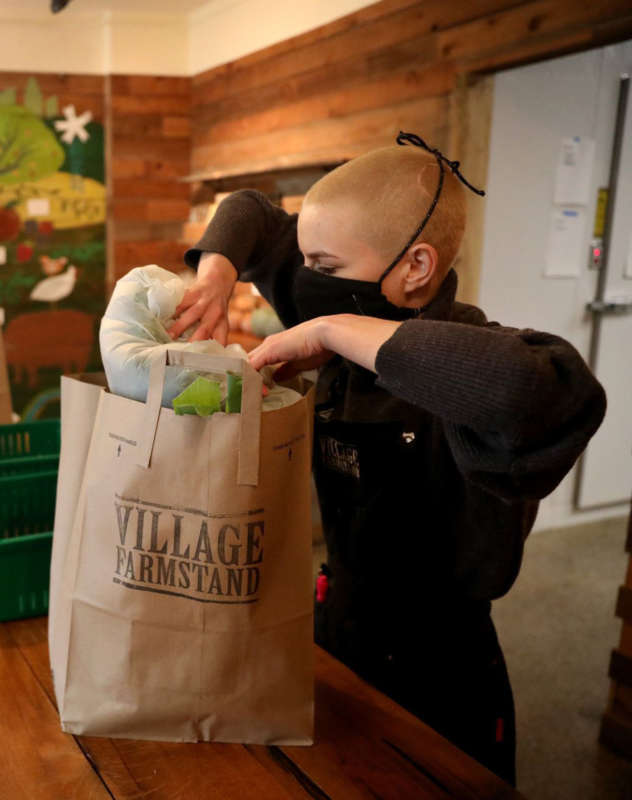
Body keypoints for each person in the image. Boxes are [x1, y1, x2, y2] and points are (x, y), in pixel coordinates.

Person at [172, 133, 606, 784]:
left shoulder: (475, 361)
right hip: (340, 622)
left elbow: (553, 388)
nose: (305, 280)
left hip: (440, 667)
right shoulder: (346, 286)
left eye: (326, 263)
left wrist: (328, 333)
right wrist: (215, 277)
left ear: (416, 266)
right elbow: (251, 212)